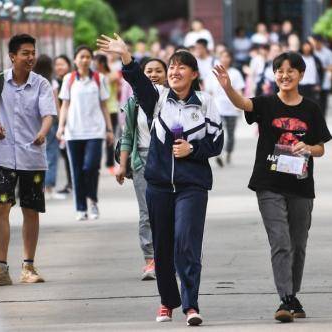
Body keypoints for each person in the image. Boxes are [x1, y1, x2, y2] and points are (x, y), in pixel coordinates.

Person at [98, 33, 223, 326]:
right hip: (158, 186)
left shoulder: (205, 103)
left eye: (182, 67)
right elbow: (139, 84)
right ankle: (167, 302)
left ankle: (191, 305)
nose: (175, 72)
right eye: (171, 68)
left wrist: (193, 149)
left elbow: (216, 143)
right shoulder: (158, 99)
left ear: (193, 74)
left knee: (186, 243)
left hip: (192, 186)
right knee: (163, 246)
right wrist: (126, 57)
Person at [213, 52, 332, 323]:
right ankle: (286, 298)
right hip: (269, 183)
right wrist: (228, 87)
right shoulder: (266, 104)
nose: (285, 75)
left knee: (298, 244)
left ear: (301, 75)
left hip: (301, 185)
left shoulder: (311, 108)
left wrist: (308, 148)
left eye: (291, 71)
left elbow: (321, 148)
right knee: (280, 241)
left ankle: (292, 293)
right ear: (273, 74)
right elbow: (243, 103)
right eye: (279, 70)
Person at [0, 34, 57, 286]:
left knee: (30, 210)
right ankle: (1, 268)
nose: (30, 57)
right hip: (3, 158)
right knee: (0, 208)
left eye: (32, 52)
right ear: (12, 56)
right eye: (25, 53)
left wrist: (43, 133)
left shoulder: (42, 84)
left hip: (32, 158)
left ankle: (28, 267)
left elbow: (48, 115)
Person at [116, 58, 168, 281]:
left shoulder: (171, 99)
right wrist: (122, 165)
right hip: (141, 160)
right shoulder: (133, 103)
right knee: (147, 212)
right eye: (149, 71)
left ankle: (168, 257)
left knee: (168, 210)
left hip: (166, 160)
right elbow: (128, 135)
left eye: (158, 71)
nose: (154, 74)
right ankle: (150, 259)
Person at [56, 45, 114, 221]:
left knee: (91, 167)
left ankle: (93, 201)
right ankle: (81, 208)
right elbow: (65, 104)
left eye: (88, 57)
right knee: (77, 170)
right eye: (81, 56)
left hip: (95, 131)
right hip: (74, 132)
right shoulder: (69, 79)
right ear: (75, 60)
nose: (85, 60)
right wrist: (61, 127)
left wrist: (109, 129)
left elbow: (104, 106)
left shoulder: (99, 78)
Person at [33, 54, 65, 201]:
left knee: (35, 155)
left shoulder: (32, 80)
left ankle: (36, 187)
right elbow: (56, 105)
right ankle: (49, 188)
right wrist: (61, 122)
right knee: (51, 154)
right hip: (50, 121)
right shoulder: (51, 82)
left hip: (34, 122)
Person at [205, 50, 245, 166]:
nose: (225, 59)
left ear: (231, 59)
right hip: (218, 108)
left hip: (232, 108)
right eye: (222, 56)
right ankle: (219, 154)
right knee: (218, 131)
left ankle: (228, 152)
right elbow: (209, 92)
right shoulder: (212, 73)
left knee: (231, 134)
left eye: (227, 56)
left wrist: (240, 105)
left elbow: (239, 90)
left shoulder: (235, 73)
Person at [95, 53, 121, 174]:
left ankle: (110, 164)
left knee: (110, 138)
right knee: (97, 138)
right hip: (97, 111)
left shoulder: (111, 75)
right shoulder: (94, 76)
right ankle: (96, 164)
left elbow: (113, 78)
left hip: (111, 110)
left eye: (97, 62)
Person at [52, 55, 73, 195]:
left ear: (69, 65)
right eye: (57, 64)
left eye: (62, 64)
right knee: (66, 155)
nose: (59, 67)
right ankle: (71, 183)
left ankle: (75, 182)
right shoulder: (54, 83)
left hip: (73, 122)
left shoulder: (73, 80)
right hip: (61, 124)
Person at [309, 34, 332, 117]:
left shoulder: (328, 53)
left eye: (318, 43)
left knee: (323, 104)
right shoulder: (311, 52)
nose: (316, 45)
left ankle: (322, 122)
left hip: (324, 82)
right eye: (315, 43)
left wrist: (322, 68)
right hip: (313, 81)